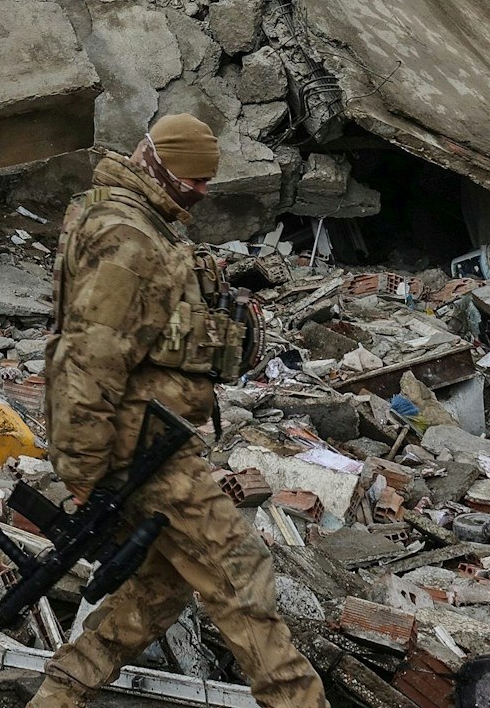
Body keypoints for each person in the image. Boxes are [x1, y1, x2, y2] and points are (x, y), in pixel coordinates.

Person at [29, 115, 328, 708]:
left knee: (163, 586)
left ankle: (60, 694)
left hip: (147, 438)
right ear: (159, 166)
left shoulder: (125, 217)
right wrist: (84, 471)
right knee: (241, 573)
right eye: (194, 181)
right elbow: (88, 358)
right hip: (138, 449)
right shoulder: (130, 240)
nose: (201, 194)